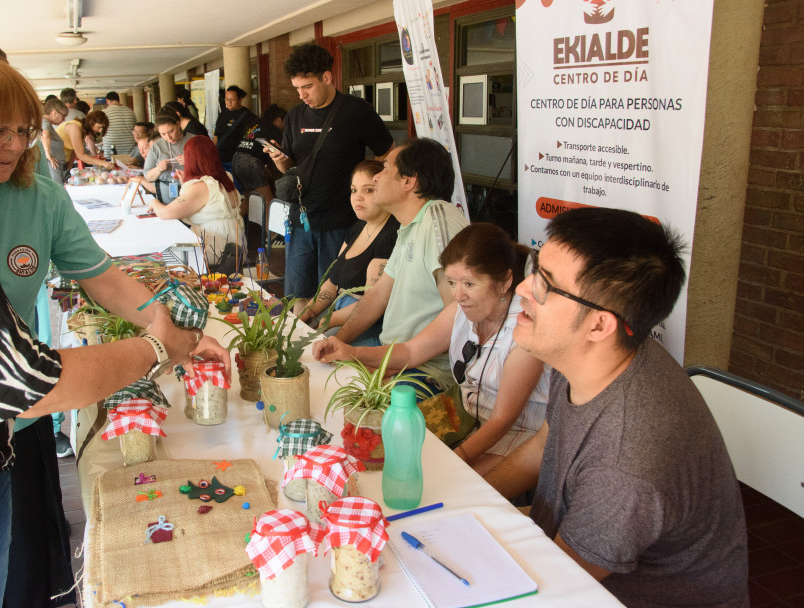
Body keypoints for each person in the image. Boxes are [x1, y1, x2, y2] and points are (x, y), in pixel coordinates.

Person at [0, 4, 224, 607]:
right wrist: (155, 349)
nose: (12, 146)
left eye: (25, 131)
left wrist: (164, 321)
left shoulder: (38, 196)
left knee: (22, 572)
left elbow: (102, 277)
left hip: (1, 434)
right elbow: (21, 381)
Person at [485, 208, 748, 607]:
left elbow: (558, 588)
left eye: (545, 285)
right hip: (566, 558)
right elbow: (545, 443)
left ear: (599, 325)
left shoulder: (627, 462)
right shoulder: (585, 355)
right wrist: (471, 494)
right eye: (534, 268)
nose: (522, 288)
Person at [315, 223, 549, 474]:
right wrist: (350, 352)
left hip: (512, 434)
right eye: (451, 282)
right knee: (380, 452)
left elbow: (503, 419)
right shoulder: (461, 310)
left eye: (469, 284)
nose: (458, 295)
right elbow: (412, 352)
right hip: (464, 417)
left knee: (442, 482)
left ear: (505, 281)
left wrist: (455, 457)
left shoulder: (522, 331)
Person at [314, 138, 468, 391]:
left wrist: (399, 363)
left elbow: (460, 311)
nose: (377, 177)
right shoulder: (409, 225)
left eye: (385, 168)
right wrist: (337, 343)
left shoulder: (439, 219)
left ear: (409, 181)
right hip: (391, 353)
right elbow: (377, 296)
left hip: (425, 369)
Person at [265, 43, 394, 301]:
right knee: (297, 294)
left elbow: (387, 152)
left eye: (308, 86)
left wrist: (369, 189)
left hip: (341, 221)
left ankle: (325, 341)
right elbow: (289, 168)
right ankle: (298, 338)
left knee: (331, 294)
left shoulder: (356, 110)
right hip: (301, 219)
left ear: (327, 77)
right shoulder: (294, 116)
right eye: (297, 88)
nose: (302, 95)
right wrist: (280, 160)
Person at [298, 160, 398, 345]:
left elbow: (372, 302)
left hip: (364, 321)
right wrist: (310, 309)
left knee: (313, 349)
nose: (358, 197)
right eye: (354, 190)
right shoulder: (358, 227)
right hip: (336, 310)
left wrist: (330, 319)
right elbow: (333, 280)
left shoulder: (391, 234)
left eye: (368, 190)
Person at [148, 136, 244, 275]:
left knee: (163, 257)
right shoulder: (226, 177)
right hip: (234, 244)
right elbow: (207, 202)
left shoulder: (200, 186)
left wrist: (153, 201)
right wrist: (185, 184)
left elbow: (165, 214)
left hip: (216, 251)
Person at [233, 103, 286, 211]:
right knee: (267, 203)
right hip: (250, 163)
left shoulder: (256, 124)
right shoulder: (273, 130)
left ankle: (234, 225)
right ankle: (267, 228)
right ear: (279, 120)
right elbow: (277, 155)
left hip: (236, 160)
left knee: (249, 201)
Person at [143, 108, 198, 203]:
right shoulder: (157, 146)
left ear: (178, 124)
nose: (168, 137)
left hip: (192, 192)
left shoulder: (195, 141)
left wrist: (191, 161)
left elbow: (209, 170)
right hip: (165, 195)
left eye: (171, 132)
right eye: (163, 134)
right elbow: (148, 177)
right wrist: (158, 169)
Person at [213, 85, 253, 168]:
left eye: (233, 99)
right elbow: (216, 136)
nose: (229, 102)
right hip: (219, 159)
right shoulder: (223, 114)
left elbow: (249, 138)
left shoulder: (247, 115)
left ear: (240, 99)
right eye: (227, 99)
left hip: (235, 160)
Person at [40, 97, 68, 183]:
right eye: (63, 115)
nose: (64, 119)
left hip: (53, 164)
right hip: (52, 164)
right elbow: (45, 135)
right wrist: (49, 156)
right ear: (54, 112)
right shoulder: (45, 121)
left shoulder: (45, 122)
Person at [101, 90, 137, 157]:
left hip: (111, 149)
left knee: (113, 166)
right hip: (130, 148)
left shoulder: (104, 113)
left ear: (107, 100)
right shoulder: (130, 112)